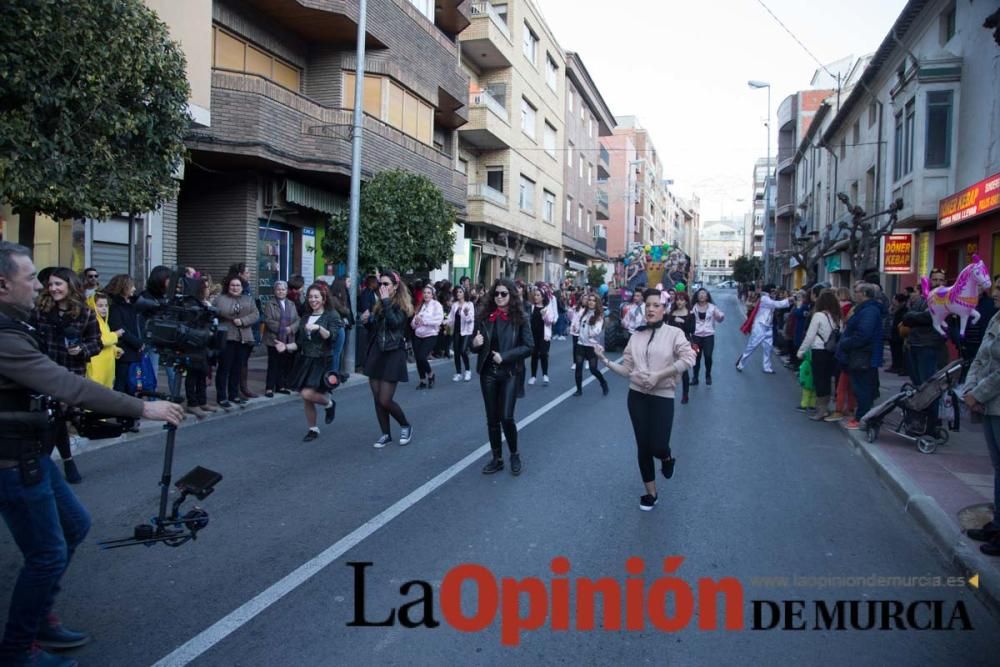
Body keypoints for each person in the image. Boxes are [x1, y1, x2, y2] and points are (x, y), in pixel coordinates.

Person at [0, 241, 183, 666]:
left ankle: (38, 614)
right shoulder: (5, 337)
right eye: (31, 278)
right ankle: (18, 650)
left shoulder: (19, 325)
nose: (39, 285)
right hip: (13, 463)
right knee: (46, 554)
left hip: (33, 455)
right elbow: (68, 385)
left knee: (73, 527)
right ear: (3, 285)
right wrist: (143, 407)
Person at [595, 288, 696, 511]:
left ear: (664, 309)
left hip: (663, 396)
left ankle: (667, 458)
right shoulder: (636, 335)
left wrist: (659, 375)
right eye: (647, 305)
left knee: (658, 446)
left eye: (656, 305)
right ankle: (651, 493)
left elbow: (689, 357)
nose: (650, 308)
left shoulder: (674, 334)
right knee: (643, 446)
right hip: (637, 397)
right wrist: (605, 360)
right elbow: (627, 370)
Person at [29, 267, 103, 486]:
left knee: (59, 418)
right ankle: (59, 464)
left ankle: (50, 466)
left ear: (70, 286)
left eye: (58, 284)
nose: (53, 289)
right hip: (43, 371)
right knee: (52, 419)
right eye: (50, 285)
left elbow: (96, 342)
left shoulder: (85, 313)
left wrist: (82, 350)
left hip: (70, 373)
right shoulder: (39, 310)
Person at [470, 279, 534, 475]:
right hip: (488, 374)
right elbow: (472, 346)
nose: (499, 297)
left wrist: (505, 357)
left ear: (511, 296)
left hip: (510, 373)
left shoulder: (521, 318)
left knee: (506, 417)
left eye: (504, 294)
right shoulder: (484, 316)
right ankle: (497, 458)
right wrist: (474, 343)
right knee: (492, 419)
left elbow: (529, 346)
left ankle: (514, 454)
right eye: (496, 293)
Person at [961, 278, 1000, 556]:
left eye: (999, 289)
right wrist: (969, 387)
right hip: (988, 402)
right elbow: (980, 358)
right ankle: (997, 523)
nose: (994, 293)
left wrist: (979, 394)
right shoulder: (996, 317)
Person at [280, 284, 342, 441]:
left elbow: (332, 336)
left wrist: (318, 328)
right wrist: (286, 346)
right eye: (310, 297)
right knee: (306, 397)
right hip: (305, 360)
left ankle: (329, 404)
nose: (313, 300)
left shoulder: (331, 315)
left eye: (316, 297)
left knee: (307, 393)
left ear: (323, 298)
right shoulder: (306, 317)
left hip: (322, 360)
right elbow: (299, 343)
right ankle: (313, 429)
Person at [361, 271, 414, 448]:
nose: (382, 287)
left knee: (385, 399)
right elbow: (375, 329)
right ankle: (385, 434)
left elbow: (395, 324)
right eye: (380, 284)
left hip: (393, 353)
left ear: (395, 286)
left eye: (386, 284)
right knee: (377, 399)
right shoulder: (379, 304)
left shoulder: (403, 305)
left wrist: (384, 302)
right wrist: (367, 321)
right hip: (377, 352)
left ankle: (405, 425)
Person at [837, 283, 885, 430]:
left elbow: (863, 335)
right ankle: (862, 416)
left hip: (863, 356)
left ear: (864, 293)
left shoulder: (869, 311)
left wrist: (846, 342)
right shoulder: (864, 310)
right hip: (860, 354)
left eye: (856, 291)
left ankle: (862, 418)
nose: (854, 294)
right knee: (860, 387)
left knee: (862, 388)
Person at [214, 275, 259, 410]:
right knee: (224, 368)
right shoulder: (220, 299)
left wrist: (243, 321)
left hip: (244, 338)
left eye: (238, 285)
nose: (235, 288)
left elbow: (255, 314)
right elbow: (220, 311)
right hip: (227, 337)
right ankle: (222, 397)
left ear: (242, 287)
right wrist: (233, 316)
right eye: (232, 285)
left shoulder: (248, 299)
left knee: (237, 368)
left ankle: (234, 394)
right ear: (228, 286)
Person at [797, 289, 841, 421]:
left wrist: (801, 351)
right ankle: (825, 408)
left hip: (819, 351)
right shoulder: (837, 317)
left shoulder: (818, 316)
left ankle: (821, 410)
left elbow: (810, 336)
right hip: (832, 351)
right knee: (827, 380)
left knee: (819, 380)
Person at [736, 284, 791, 374]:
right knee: (752, 346)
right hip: (760, 326)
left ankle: (767, 367)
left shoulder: (770, 298)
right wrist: (789, 300)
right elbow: (776, 304)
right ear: (769, 291)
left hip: (768, 327)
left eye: (775, 291)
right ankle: (740, 364)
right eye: (773, 291)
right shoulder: (765, 298)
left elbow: (776, 305)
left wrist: (788, 300)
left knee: (768, 348)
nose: (774, 292)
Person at [105, 275, 143, 396]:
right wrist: (137, 342)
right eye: (131, 286)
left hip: (133, 350)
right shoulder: (115, 306)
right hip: (123, 350)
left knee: (132, 383)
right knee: (122, 382)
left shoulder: (132, 303)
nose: (134, 289)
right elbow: (119, 328)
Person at [262, 280, 300, 398]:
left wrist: (291, 329)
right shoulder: (270, 304)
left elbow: (297, 320)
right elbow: (268, 320)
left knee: (284, 363)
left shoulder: (291, 304)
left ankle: (281, 386)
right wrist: (283, 329)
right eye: (278, 289)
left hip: (288, 339)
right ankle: (269, 388)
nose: (281, 292)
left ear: (286, 291)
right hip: (274, 338)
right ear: (275, 291)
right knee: (273, 364)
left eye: (283, 289)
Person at [573, 293, 609, 397]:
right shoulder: (583, 313)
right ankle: (579, 390)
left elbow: (596, 331)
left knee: (593, 369)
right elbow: (578, 325)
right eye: (589, 300)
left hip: (591, 346)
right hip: (581, 344)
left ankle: (603, 383)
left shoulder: (599, 316)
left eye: (593, 300)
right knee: (578, 367)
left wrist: (590, 327)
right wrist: (576, 328)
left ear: (596, 303)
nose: (591, 302)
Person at [411, 284, 443, 390]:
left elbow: (438, 321)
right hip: (418, 334)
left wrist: (424, 321)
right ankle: (422, 381)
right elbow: (413, 323)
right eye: (424, 293)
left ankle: (430, 374)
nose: (426, 295)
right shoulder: (420, 305)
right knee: (418, 359)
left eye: (428, 293)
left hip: (430, 335)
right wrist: (415, 322)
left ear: (432, 294)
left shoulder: (436, 305)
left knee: (422, 356)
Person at [85, 292, 119, 389]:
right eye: (100, 306)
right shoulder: (92, 322)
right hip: (96, 367)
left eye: (106, 305)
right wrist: (115, 335)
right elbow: (100, 340)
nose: (104, 308)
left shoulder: (105, 323)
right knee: (95, 394)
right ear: (93, 306)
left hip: (107, 367)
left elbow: (107, 342)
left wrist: (115, 350)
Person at [690, 288, 724, 386]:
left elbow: (720, 318)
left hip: (708, 336)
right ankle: (695, 377)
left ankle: (708, 375)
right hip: (696, 337)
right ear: (697, 296)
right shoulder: (693, 308)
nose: (702, 295)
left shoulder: (712, 307)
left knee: (708, 356)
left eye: (704, 294)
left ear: (707, 296)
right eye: (700, 294)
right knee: (696, 357)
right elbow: (688, 319)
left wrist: (720, 315)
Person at [666, 292, 695, 404]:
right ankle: (667, 392)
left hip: (684, 344)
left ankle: (685, 395)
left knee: (683, 370)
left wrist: (683, 321)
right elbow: (668, 328)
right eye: (678, 299)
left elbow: (692, 330)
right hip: (671, 343)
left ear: (686, 301)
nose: (679, 302)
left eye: (682, 300)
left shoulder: (690, 314)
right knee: (669, 368)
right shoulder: (672, 313)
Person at [527, 285, 556, 387]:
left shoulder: (547, 308)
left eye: (538, 295)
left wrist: (544, 315)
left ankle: (545, 375)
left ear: (543, 297)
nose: (536, 297)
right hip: (533, 335)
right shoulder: (531, 307)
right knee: (534, 354)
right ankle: (533, 376)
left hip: (544, 335)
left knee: (543, 354)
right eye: (535, 295)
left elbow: (550, 321)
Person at [447, 285, 475, 382]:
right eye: (457, 292)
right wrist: (444, 322)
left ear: (464, 293)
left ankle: (468, 370)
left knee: (463, 350)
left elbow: (470, 320)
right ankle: (458, 373)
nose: (458, 294)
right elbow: (451, 318)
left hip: (466, 331)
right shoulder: (454, 305)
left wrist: (466, 314)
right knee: (456, 353)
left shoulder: (469, 304)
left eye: (460, 292)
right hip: (457, 331)